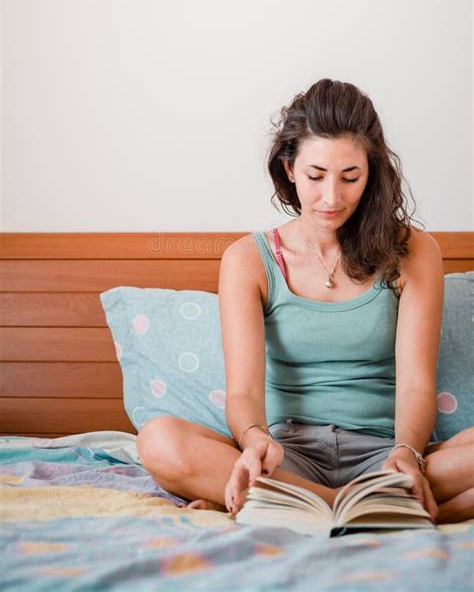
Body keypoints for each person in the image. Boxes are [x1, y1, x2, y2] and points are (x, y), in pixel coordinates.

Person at [137, 78, 474, 524]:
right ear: (289, 167)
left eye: (350, 177)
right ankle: (364, 506)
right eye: (316, 176)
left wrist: (407, 453)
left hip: (389, 457)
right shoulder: (247, 260)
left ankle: (290, 503)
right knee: (158, 440)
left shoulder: (414, 250)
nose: (332, 197)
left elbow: (415, 385)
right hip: (286, 458)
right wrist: (255, 439)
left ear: (372, 172)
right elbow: (242, 392)